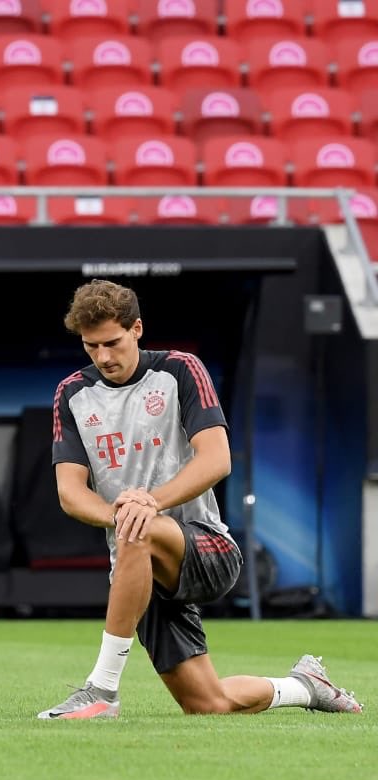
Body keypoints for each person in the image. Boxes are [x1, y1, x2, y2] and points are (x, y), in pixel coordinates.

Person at [38, 279, 363, 718]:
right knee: (208, 703)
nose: (103, 357)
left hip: (207, 546)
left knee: (139, 527)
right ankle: (305, 686)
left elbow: (216, 460)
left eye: (112, 343)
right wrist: (119, 514)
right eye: (91, 347)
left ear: (137, 329)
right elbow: (70, 492)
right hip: (138, 571)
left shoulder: (179, 370)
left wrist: (147, 503)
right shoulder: (72, 394)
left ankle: (102, 690)